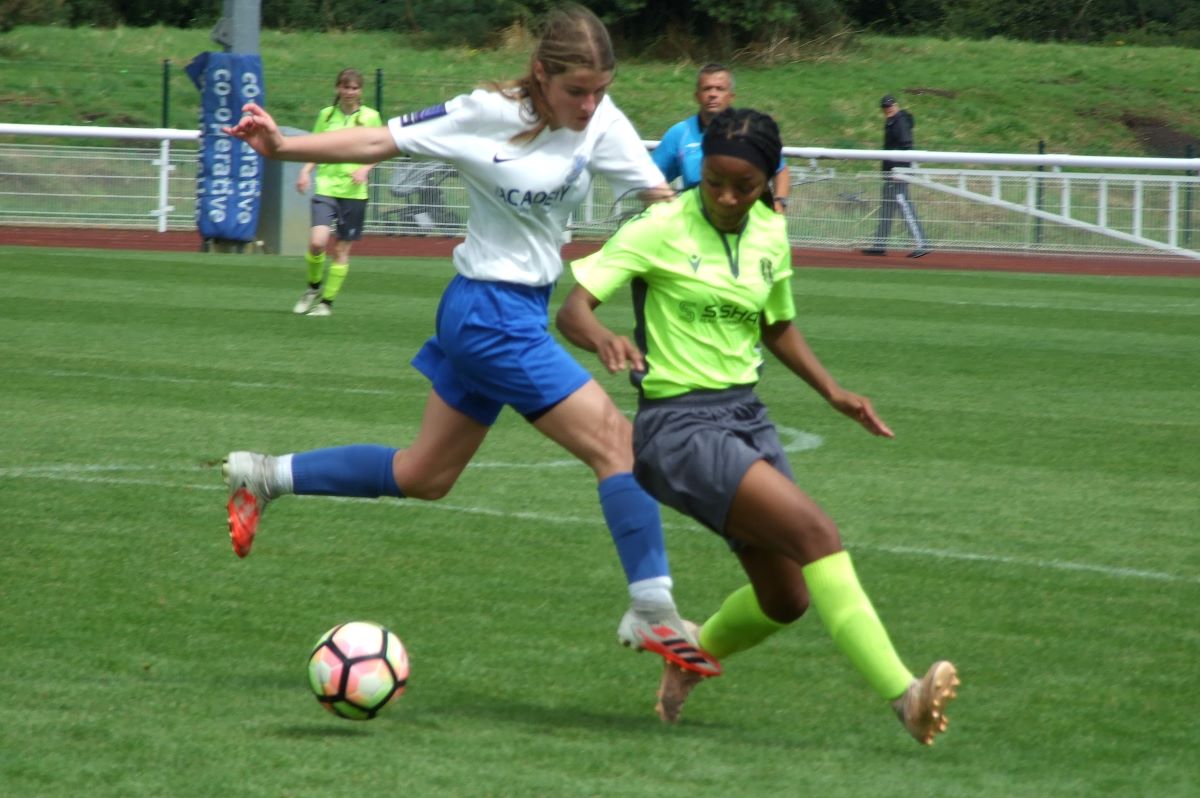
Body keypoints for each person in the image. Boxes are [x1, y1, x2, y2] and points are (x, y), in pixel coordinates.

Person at [218, 4, 719, 678]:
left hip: (513, 313)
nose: (590, 104)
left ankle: (262, 475)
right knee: (617, 445)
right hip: (487, 316)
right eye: (577, 90)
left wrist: (715, 243)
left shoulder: (600, 119)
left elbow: (661, 201)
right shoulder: (482, 112)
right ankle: (651, 607)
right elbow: (379, 142)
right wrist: (282, 148)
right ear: (541, 74)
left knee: (425, 476)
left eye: (600, 90)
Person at [556, 107, 959, 745]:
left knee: (787, 599)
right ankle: (904, 696)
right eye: (714, 180)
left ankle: (688, 655)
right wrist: (603, 337)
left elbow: (775, 323)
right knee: (817, 532)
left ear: (769, 182)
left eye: (743, 187)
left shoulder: (771, 233)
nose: (724, 196)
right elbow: (572, 309)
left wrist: (833, 391)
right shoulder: (659, 225)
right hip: (678, 430)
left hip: (747, 418)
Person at [293, 68, 385, 317]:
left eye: (354, 88)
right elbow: (315, 148)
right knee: (317, 242)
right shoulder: (327, 115)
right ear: (338, 89)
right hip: (326, 186)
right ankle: (313, 288)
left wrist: (365, 170)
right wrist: (305, 172)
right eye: (345, 87)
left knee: (341, 250)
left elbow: (381, 150)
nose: (349, 92)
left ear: (360, 91)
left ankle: (326, 303)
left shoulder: (371, 117)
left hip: (354, 192)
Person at [652, 63, 790, 214]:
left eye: (720, 89)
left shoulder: (749, 129)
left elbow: (780, 169)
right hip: (696, 225)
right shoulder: (679, 133)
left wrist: (779, 202)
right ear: (697, 96)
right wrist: (669, 209)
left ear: (731, 96)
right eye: (707, 88)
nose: (712, 94)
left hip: (746, 220)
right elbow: (651, 176)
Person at [862, 94, 930, 258]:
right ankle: (879, 244)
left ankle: (922, 243)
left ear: (896, 105)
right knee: (886, 208)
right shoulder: (892, 121)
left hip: (898, 173)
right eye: (886, 107)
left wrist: (900, 170)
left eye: (890, 106)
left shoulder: (900, 121)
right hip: (891, 172)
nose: (888, 109)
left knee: (904, 206)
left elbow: (906, 146)